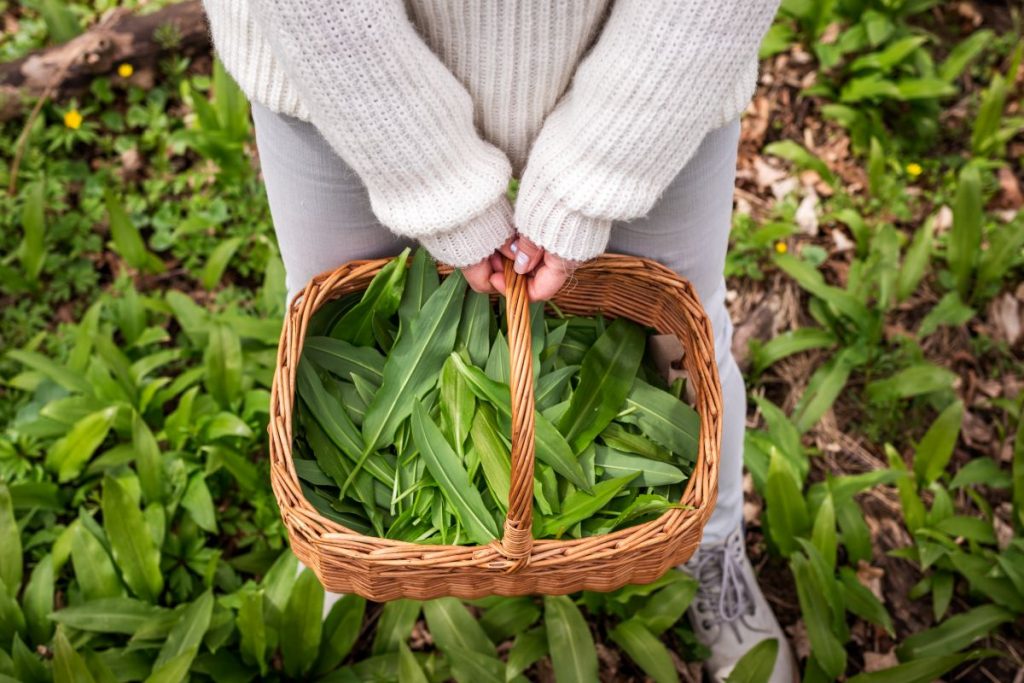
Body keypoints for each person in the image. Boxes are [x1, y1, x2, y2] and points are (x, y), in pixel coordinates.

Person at [202, 1, 796, 680]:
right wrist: (429, 179)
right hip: (332, 71)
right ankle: (349, 539)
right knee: (335, 321)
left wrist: (602, 171)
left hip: (662, 71)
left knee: (683, 334)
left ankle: (711, 543)